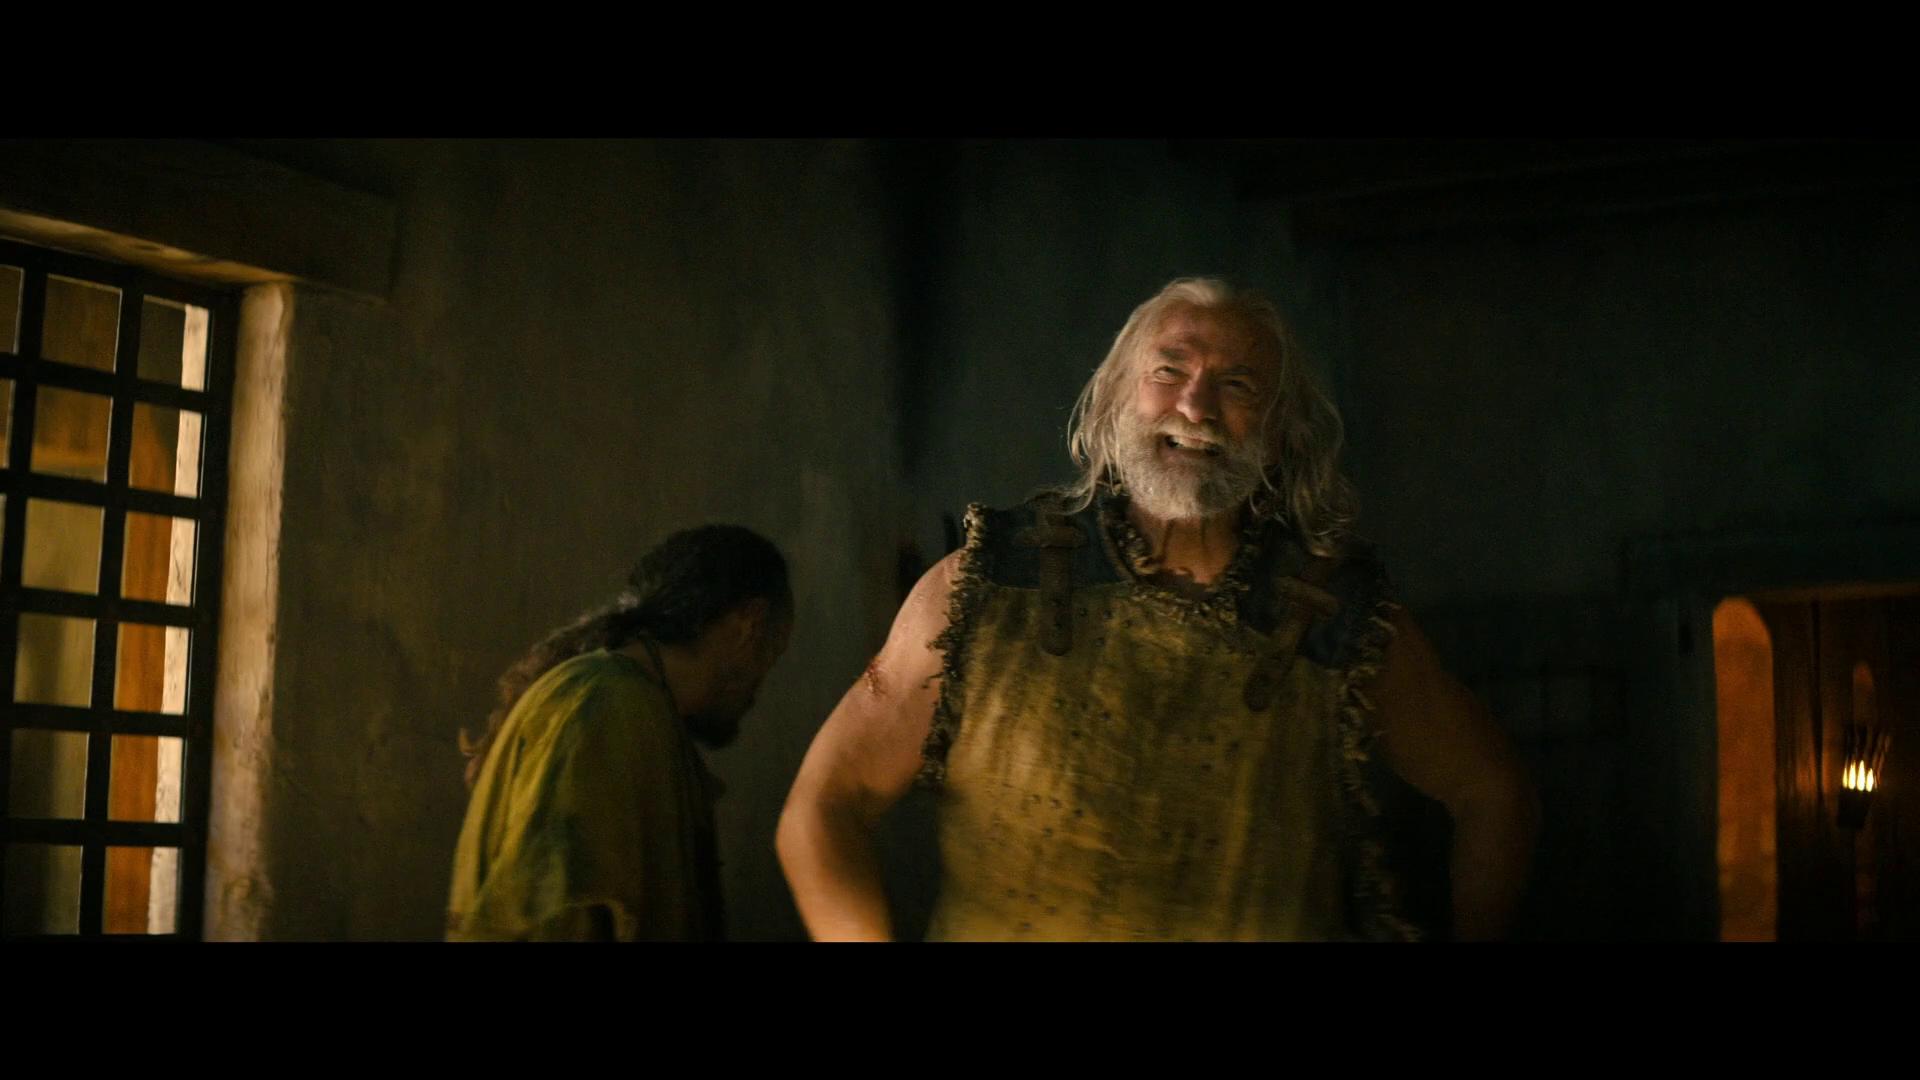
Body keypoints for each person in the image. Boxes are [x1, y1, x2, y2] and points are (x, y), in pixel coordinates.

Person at [777, 278, 1538, 941]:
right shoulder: (984, 586)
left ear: (1278, 435)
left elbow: (1493, 794)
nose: (1195, 406)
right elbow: (826, 804)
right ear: (1115, 401)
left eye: (1238, 386)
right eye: (1168, 371)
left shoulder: (1339, 617)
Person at [447, 525, 792, 941]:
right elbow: (551, 919)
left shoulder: (630, 707)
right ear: (749, 625)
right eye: (773, 653)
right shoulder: (608, 706)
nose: (760, 685)